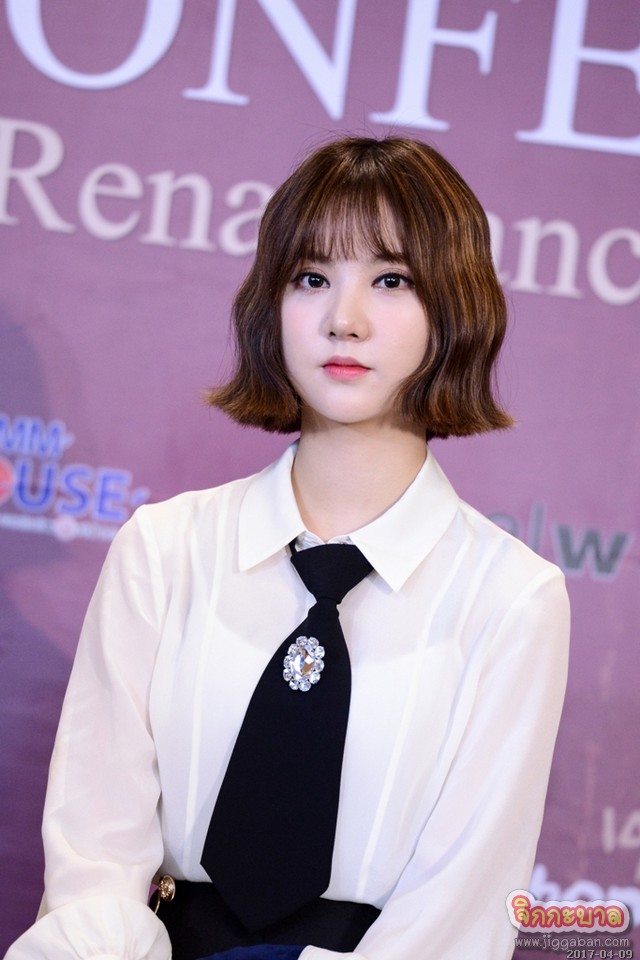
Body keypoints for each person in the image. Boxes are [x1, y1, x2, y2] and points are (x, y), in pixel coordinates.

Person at [6, 136, 569, 960]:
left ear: (456, 306)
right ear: (270, 303)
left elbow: (461, 911)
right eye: (312, 278)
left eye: (391, 280)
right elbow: (95, 856)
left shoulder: (511, 599)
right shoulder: (164, 550)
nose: (345, 319)